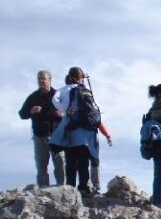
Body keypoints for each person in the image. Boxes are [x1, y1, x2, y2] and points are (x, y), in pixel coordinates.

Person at [49, 67, 100, 197]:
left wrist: (65, 109)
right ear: (80, 77)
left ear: (70, 77)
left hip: (70, 130)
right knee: (83, 161)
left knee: (71, 161)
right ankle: (83, 187)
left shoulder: (64, 90)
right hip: (85, 133)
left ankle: (70, 188)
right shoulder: (85, 91)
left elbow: (55, 100)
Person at [18, 70, 65, 187]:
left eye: (43, 79)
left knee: (60, 162)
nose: (41, 81)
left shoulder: (58, 95)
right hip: (40, 136)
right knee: (41, 165)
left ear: (50, 80)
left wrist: (63, 114)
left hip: (57, 135)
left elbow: (70, 111)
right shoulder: (33, 97)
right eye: (39, 79)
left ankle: (63, 188)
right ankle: (43, 190)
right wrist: (31, 111)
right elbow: (22, 114)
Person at [90, 121, 113, 194]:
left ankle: (92, 185)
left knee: (93, 161)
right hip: (91, 138)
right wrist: (108, 136)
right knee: (93, 161)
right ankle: (93, 184)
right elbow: (100, 124)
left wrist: (108, 135)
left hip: (83, 139)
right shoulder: (94, 111)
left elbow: (99, 124)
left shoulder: (94, 112)